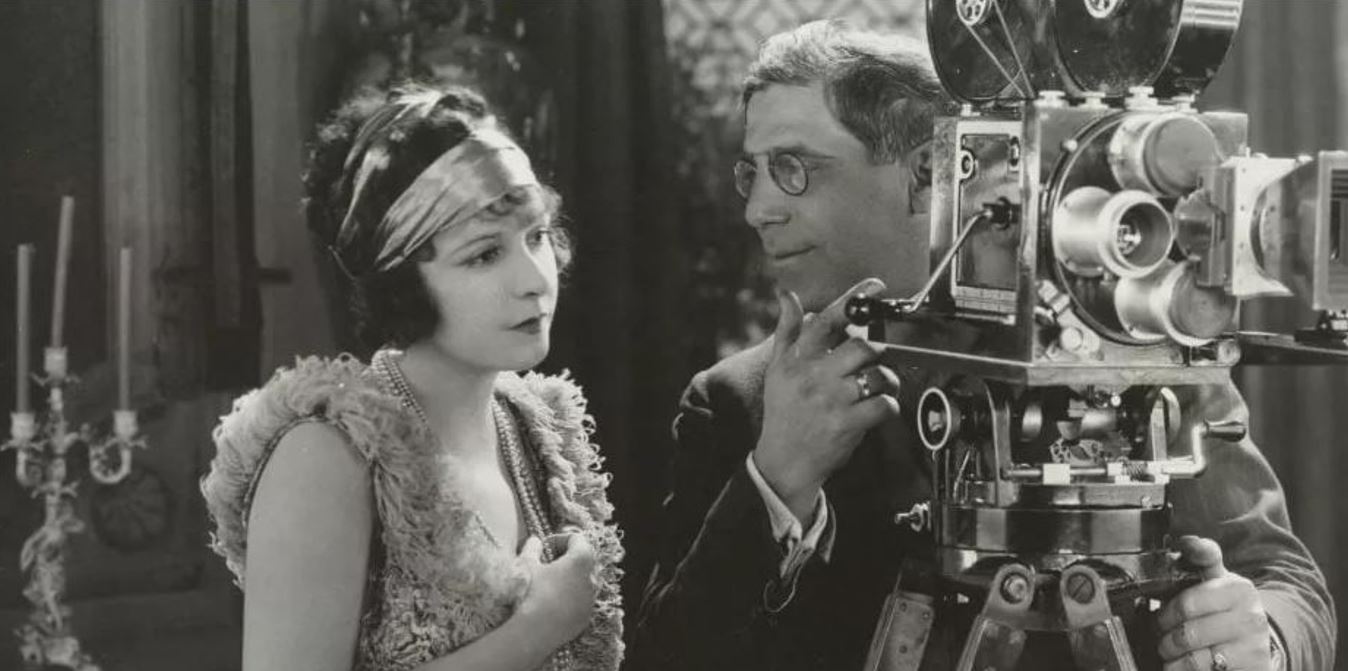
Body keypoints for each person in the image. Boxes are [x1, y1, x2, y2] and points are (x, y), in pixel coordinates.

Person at [629, 20, 1335, 671]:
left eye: (794, 167)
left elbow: (1285, 581)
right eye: (751, 172)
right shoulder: (735, 402)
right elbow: (665, 656)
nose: (758, 210)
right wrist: (777, 479)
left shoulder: (1134, 360)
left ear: (927, 174)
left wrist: (1263, 636)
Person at [201, 84, 624, 671]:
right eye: (484, 255)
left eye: (537, 236)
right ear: (402, 282)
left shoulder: (539, 429)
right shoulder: (328, 456)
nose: (534, 280)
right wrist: (537, 630)